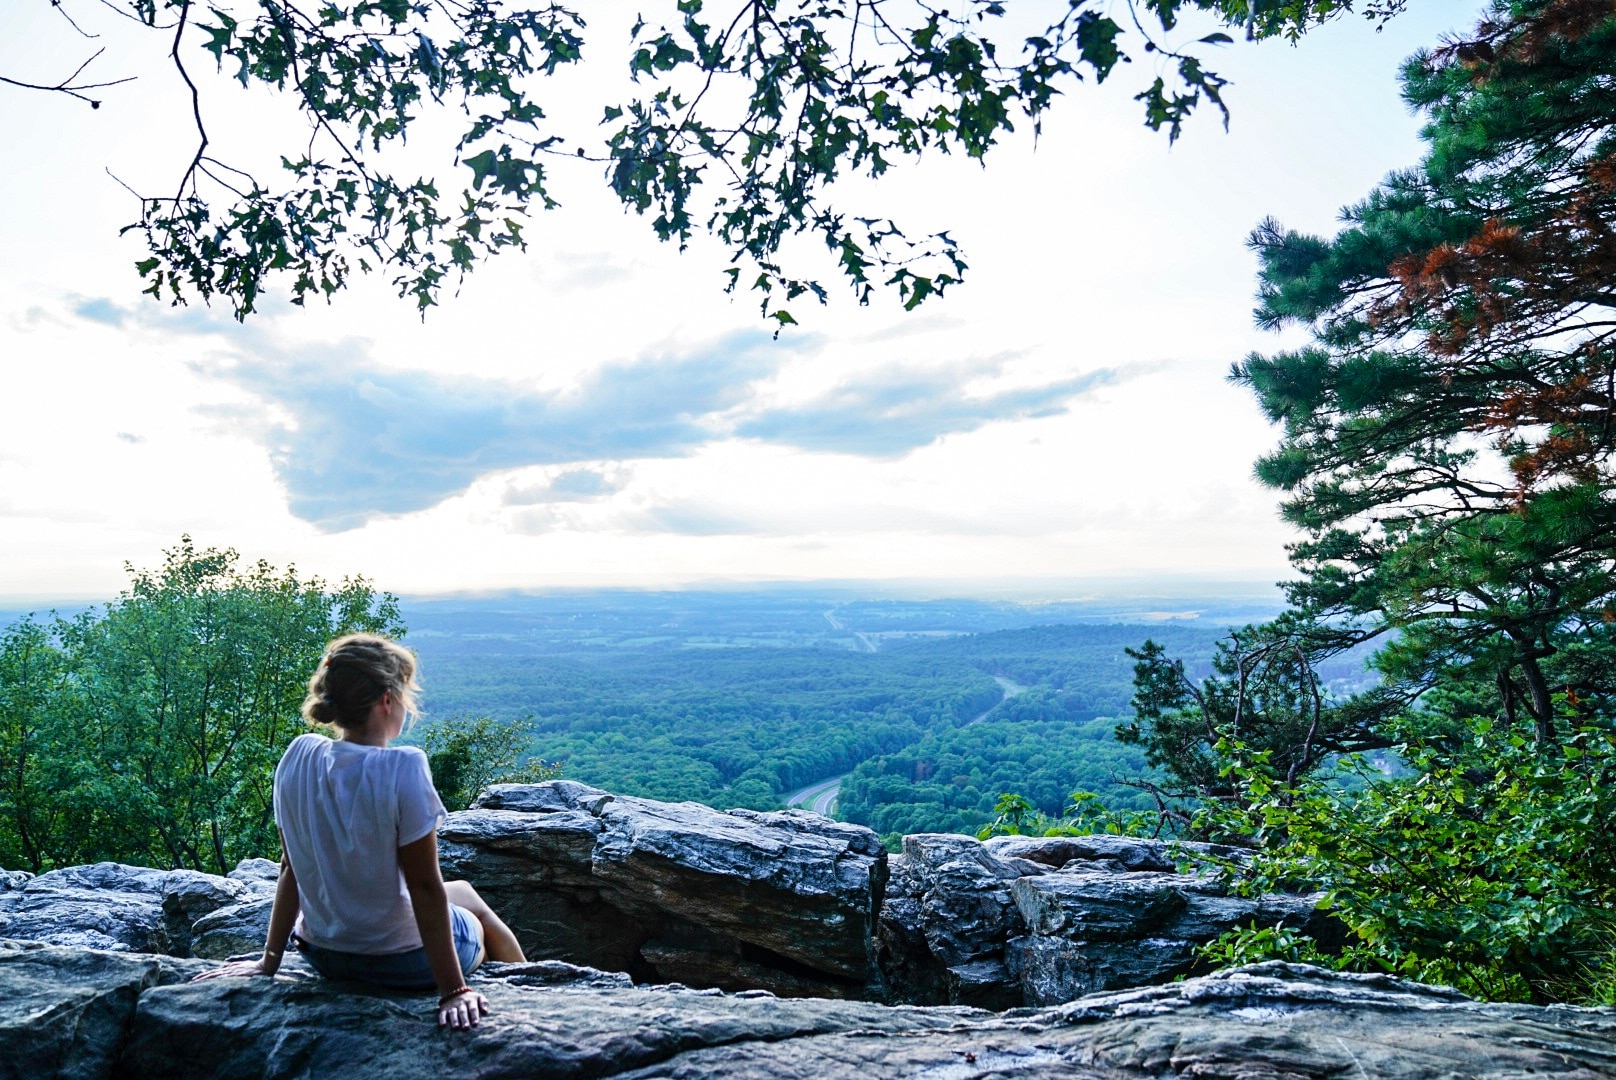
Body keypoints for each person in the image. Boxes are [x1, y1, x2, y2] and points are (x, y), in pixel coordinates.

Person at [193, 633, 527, 1029]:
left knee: (465, 892)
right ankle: (530, 988)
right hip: (402, 962)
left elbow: (290, 868)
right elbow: (423, 887)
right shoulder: (403, 767)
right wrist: (454, 990)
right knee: (477, 918)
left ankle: (529, 980)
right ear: (387, 699)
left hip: (322, 954)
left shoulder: (298, 755)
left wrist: (269, 961)